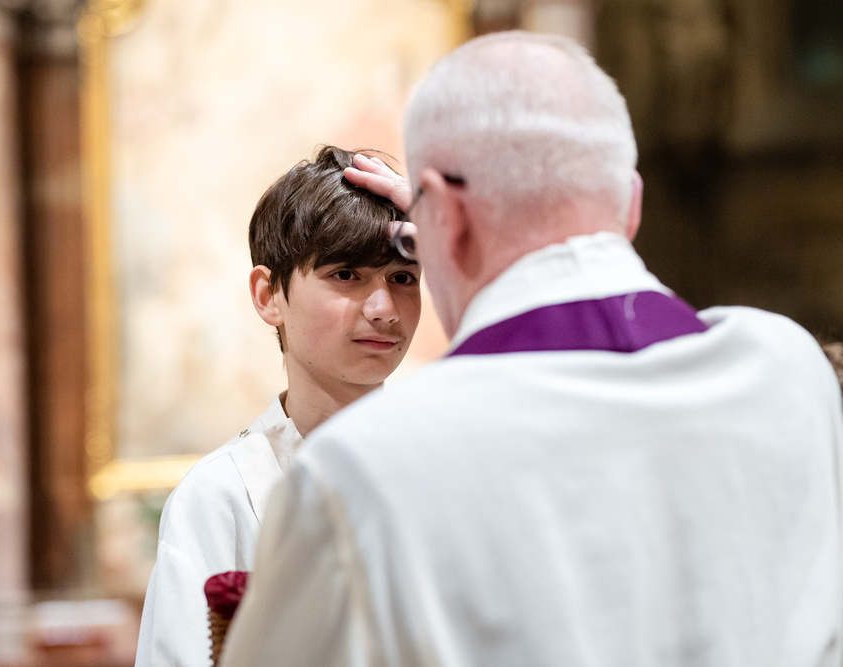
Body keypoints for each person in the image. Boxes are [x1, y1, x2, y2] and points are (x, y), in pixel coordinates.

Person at [221, 32, 843, 667]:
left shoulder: (363, 469)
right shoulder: (789, 371)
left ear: (443, 221)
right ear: (631, 206)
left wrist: (449, 225)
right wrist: (451, 219)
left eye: (406, 263)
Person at [134, 146, 421, 667]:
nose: (385, 310)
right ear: (269, 295)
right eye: (347, 274)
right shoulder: (218, 498)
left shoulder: (446, 471)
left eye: (403, 278)